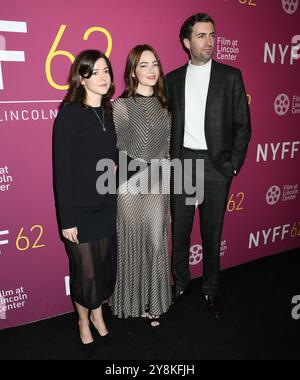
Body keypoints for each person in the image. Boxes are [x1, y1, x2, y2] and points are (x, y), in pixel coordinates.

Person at [166, 13, 251, 317]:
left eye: (212, 35)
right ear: (186, 42)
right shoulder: (172, 80)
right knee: (181, 232)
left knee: (212, 233)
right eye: (201, 36)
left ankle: (211, 288)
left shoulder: (231, 76)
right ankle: (179, 283)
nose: (210, 41)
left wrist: (233, 165)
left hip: (217, 168)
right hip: (185, 163)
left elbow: (243, 125)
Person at [53, 50, 117, 345]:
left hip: (107, 206)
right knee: (85, 276)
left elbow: (119, 158)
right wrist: (67, 219)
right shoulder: (68, 114)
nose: (103, 77)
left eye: (106, 71)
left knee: (104, 273)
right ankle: (82, 319)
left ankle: (97, 314)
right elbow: (61, 170)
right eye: (96, 72)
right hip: (79, 211)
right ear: (82, 77)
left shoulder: (111, 112)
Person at [110, 45, 172, 327]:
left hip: (159, 182)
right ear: (133, 71)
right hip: (130, 186)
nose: (150, 70)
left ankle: (154, 300)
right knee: (131, 243)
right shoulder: (120, 106)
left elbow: (169, 148)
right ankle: (132, 302)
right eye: (143, 65)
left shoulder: (166, 106)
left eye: (154, 64)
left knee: (157, 242)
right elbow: (114, 150)